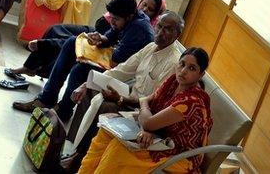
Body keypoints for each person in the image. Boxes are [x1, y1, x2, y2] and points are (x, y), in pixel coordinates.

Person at [59, 12, 184, 172]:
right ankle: (77, 151)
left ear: (177, 35)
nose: (160, 32)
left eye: (168, 29)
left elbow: (155, 101)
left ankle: (79, 159)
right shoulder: (151, 47)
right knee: (91, 89)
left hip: (144, 111)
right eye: (159, 26)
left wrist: (120, 100)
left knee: (106, 108)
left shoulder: (174, 62)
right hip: (131, 96)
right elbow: (122, 70)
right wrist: (86, 84)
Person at [13, 0, 154, 121]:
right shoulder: (128, 18)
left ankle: (63, 111)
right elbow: (110, 38)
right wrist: (99, 38)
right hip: (116, 63)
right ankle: (46, 99)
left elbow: (116, 61)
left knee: (80, 69)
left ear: (128, 17)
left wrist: (90, 52)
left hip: (125, 78)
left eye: (116, 19)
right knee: (71, 43)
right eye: (112, 18)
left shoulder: (139, 29)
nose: (112, 22)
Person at [76, 47, 214, 174]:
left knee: (119, 149)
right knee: (105, 132)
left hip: (178, 152)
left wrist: (147, 117)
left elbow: (148, 119)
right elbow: (146, 102)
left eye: (192, 68)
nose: (183, 71)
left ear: (200, 74)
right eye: (182, 64)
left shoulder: (192, 101)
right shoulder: (173, 81)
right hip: (157, 135)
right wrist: (146, 115)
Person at [2, 0, 168, 80]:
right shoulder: (127, 12)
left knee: (72, 44)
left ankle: (46, 45)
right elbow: (110, 32)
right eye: (144, 4)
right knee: (56, 29)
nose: (145, 9)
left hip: (114, 56)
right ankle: (31, 66)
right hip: (103, 38)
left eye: (150, 9)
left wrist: (101, 40)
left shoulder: (141, 28)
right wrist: (100, 38)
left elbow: (116, 57)